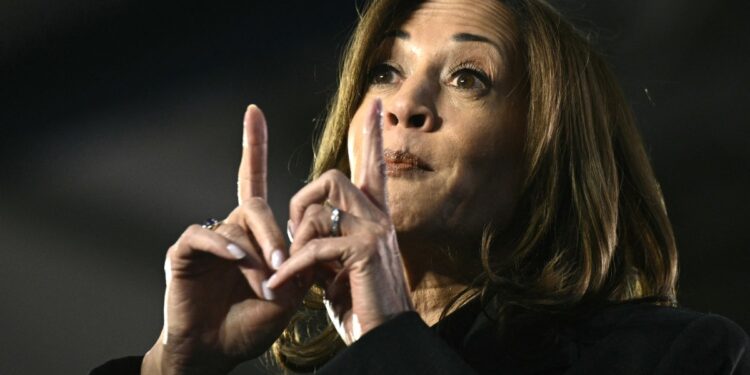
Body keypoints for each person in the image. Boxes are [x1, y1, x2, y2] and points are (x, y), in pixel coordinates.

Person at [92, 0, 750, 373]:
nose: (406, 104)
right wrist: (172, 364)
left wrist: (391, 344)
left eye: (469, 77)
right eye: (384, 71)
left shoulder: (679, 358)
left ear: (547, 150)